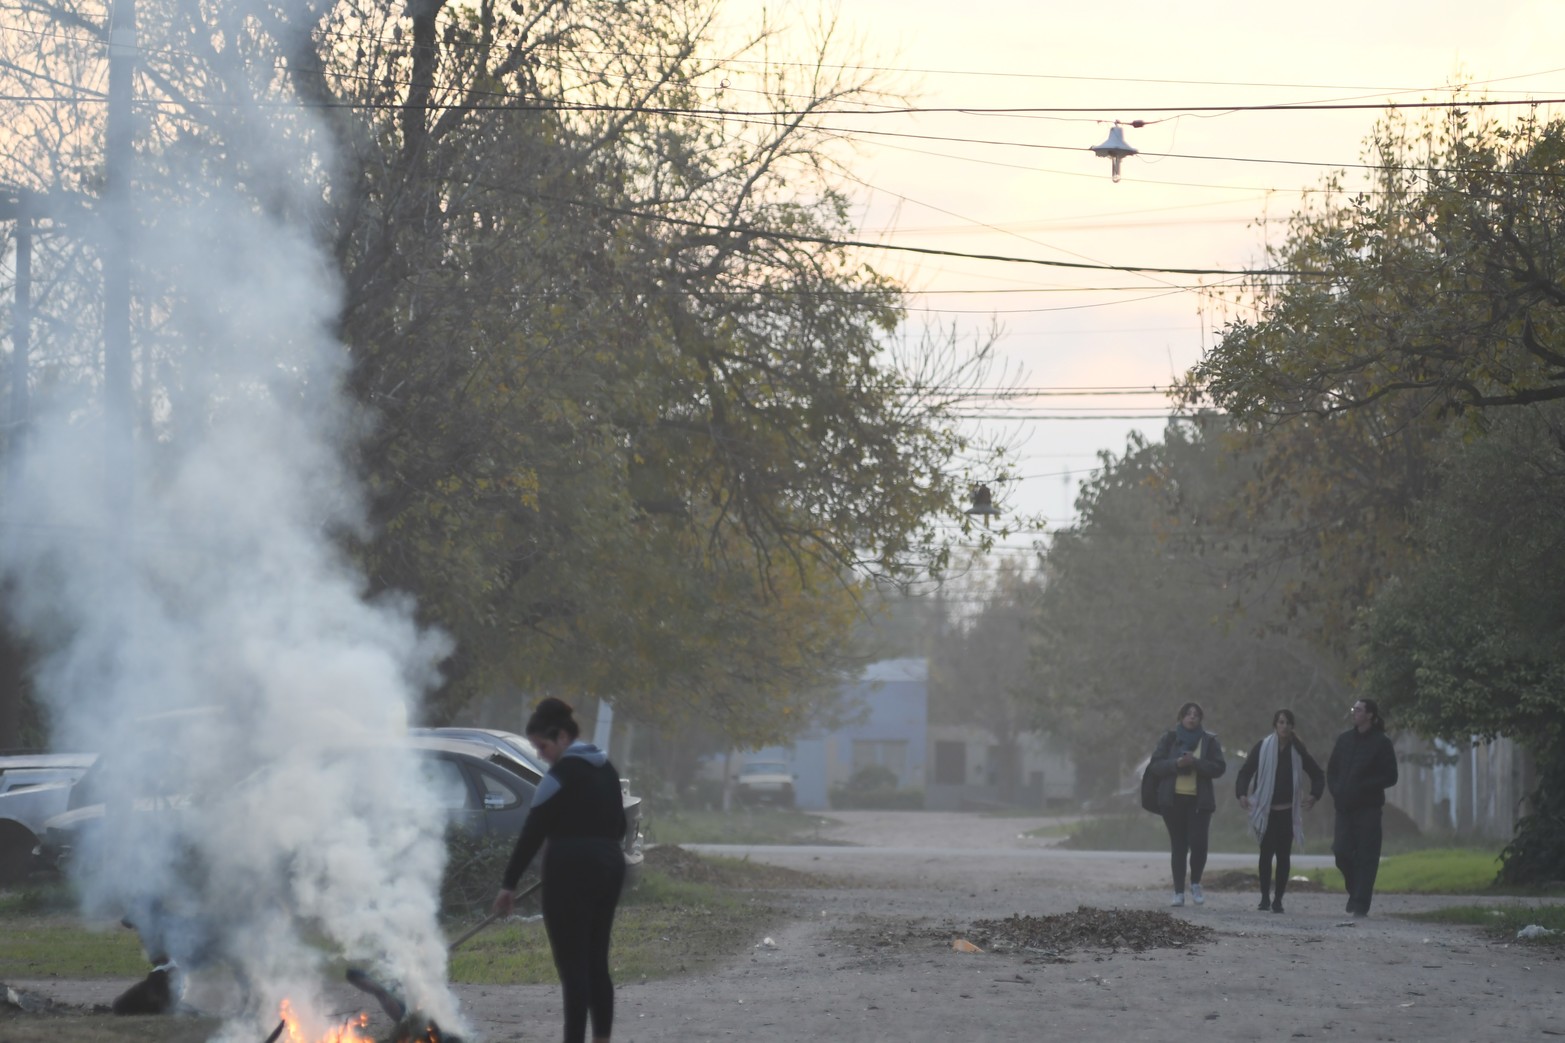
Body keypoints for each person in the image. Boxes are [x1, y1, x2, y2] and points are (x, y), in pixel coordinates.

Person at [492, 698, 628, 1043]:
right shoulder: (606, 769)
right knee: (596, 962)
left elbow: (533, 832)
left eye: (543, 746)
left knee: (573, 967)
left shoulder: (559, 776)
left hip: (569, 872)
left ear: (563, 737)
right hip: (610, 868)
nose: (541, 755)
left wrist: (508, 885)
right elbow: (621, 826)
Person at [1234, 709, 1325, 914]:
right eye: (1281, 722)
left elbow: (1318, 774)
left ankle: (1279, 899)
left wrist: (1314, 795)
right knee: (1266, 855)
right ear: (1275, 725)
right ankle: (1265, 897)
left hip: (1287, 813)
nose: (1284, 726)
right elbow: (1246, 772)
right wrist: (1241, 794)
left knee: (1284, 856)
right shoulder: (1263, 747)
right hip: (1266, 812)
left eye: (1288, 723)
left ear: (1292, 726)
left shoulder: (1298, 751)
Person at [1148, 702, 1226, 907]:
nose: (1192, 717)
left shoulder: (1209, 740)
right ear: (1181, 717)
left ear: (1200, 719)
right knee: (1179, 846)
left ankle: (1195, 883)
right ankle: (1178, 892)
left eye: (1196, 715)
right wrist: (1176, 764)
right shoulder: (1169, 738)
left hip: (1199, 801)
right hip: (1172, 801)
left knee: (1199, 844)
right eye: (1188, 714)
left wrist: (1196, 763)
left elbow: (1219, 768)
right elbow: (1155, 765)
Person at [1327, 697, 1399, 918]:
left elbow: (1391, 776)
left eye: (1358, 710)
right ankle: (1355, 888)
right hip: (1344, 807)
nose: (1354, 713)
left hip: (1368, 808)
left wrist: (1365, 786)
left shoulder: (1381, 743)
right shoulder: (1344, 740)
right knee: (1341, 851)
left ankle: (1360, 903)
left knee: (1367, 857)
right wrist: (1337, 791)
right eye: (1353, 709)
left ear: (1370, 715)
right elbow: (1332, 770)